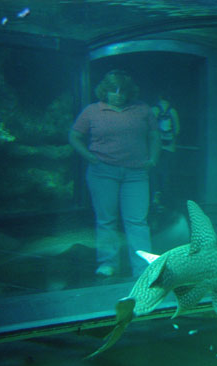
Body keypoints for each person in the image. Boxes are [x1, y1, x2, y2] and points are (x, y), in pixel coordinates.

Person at [68, 70, 161, 277]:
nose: (118, 95)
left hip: (136, 174)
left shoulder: (143, 109)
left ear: (129, 93)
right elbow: (74, 136)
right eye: (113, 90)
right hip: (103, 172)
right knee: (106, 220)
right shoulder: (92, 111)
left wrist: (153, 158)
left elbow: (155, 136)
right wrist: (90, 157)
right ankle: (107, 263)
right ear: (105, 91)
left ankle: (143, 266)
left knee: (137, 220)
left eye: (122, 91)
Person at [150, 94, 180, 210]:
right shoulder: (173, 111)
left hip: (155, 147)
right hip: (169, 147)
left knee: (154, 173)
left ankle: (155, 196)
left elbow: (150, 129)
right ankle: (165, 199)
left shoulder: (154, 110)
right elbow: (177, 130)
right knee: (166, 174)